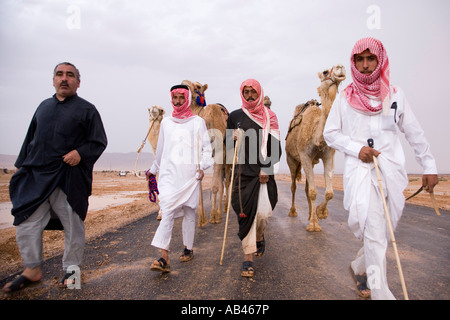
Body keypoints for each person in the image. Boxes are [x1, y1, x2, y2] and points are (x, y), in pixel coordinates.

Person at [323, 37, 438, 299]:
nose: (365, 65)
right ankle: (381, 293)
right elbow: (331, 134)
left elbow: (414, 132)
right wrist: (356, 149)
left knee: (384, 231)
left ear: (380, 60)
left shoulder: (395, 95)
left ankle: (359, 266)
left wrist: (429, 165)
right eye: (359, 60)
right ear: (354, 62)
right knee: (375, 233)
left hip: (391, 173)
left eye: (370, 58)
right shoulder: (345, 97)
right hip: (361, 173)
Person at [3, 62, 107, 293]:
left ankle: (72, 272)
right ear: (53, 80)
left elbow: (98, 142)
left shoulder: (87, 110)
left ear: (78, 82)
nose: (64, 79)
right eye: (59, 74)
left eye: (70, 75)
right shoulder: (43, 107)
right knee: (26, 222)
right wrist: (21, 169)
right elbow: (30, 139)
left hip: (69, 178)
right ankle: (32, 270)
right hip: (37, 177)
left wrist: (80, 153)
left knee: (73, 226)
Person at [147, 84, 214, 273]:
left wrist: (203, 167)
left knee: (189, 213)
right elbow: (160, 151)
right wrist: (153, 170)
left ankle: (188, 248)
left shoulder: (197, 122)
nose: (177, 102)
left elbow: (207, 149)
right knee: (167, 210)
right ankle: (163, 257)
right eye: (174, 98)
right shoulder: (166, 123)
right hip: (168, 177)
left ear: (187, 99)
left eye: (181, 98)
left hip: (190, 176)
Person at [226, 79, 281, 277]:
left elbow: (275, 146)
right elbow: (226, 149)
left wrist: (266, 168)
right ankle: (247, 259)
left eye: (253, 92)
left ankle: (259, 235)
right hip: (242, 173)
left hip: (263, 173)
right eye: (246, 92)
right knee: (245, 214)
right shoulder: (235, 116)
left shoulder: (270, 117)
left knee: (263, 214)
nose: (249, 95)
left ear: (259, 93)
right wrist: (231, 140)